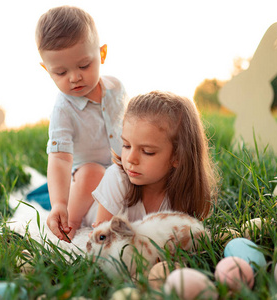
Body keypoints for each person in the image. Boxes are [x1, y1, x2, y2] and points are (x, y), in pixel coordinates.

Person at [35, 6, 128, 241]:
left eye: (84, 66)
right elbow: (60, 158)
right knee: (91, 173)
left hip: (123, 168)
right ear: (46, 70)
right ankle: (71, 227)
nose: (74, 77)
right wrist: (59, 203)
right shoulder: (63, 109)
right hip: (88, 181)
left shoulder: (116, 88)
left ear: (102, 54)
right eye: (60, 72)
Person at [91, 91, 218, 226]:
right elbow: (101, 241)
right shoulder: (117, 178)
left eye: (147, 152)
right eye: (126, 146)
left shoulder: (183, 194)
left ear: (178, 157)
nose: (130, 159)